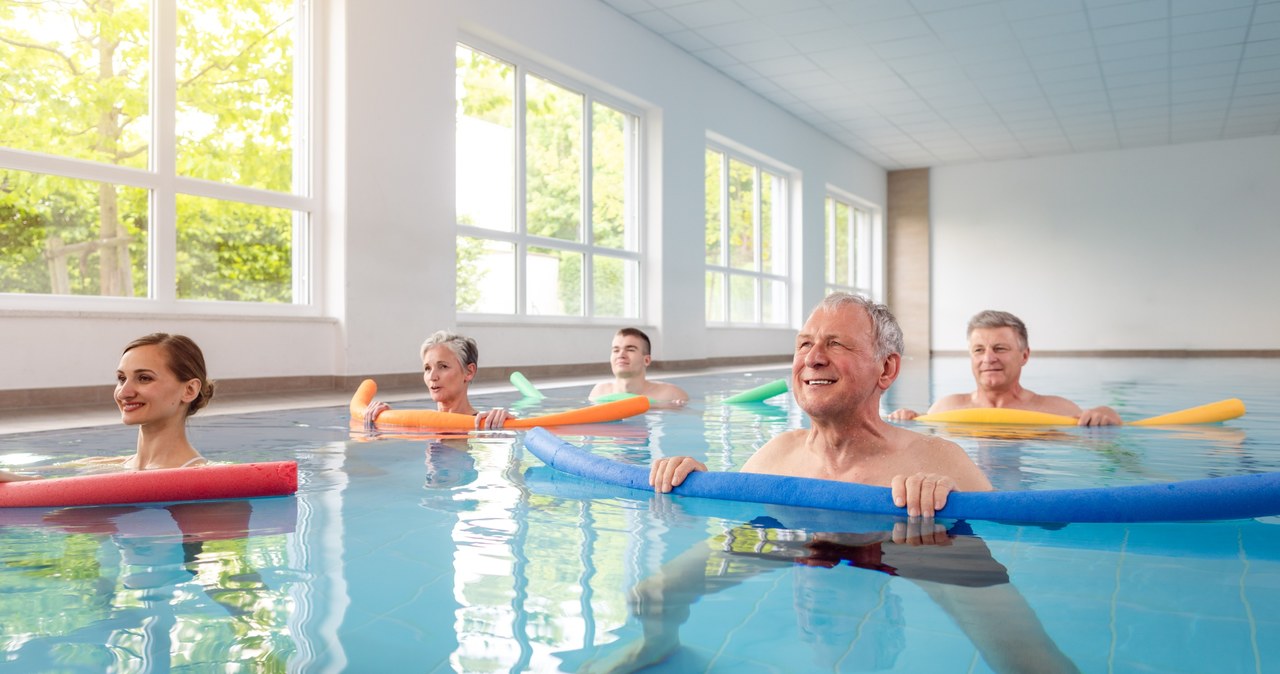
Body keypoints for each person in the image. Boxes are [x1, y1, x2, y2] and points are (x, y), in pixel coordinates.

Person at [651, 292, 992, 518]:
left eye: (836, 344)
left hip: (902, 562)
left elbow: (1013, 539)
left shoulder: (939, 462)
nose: (812, 359)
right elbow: (737, 539)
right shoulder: (776, 456)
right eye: (804, 344)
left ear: (886, 368)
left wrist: (951, 514)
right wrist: (693, 488)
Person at [0, 332, 214, 482]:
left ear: (189, 390)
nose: (124, 392)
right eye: (121, 379)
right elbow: (31, 477)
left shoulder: (200, 477)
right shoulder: (105, 464)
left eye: (144, 378)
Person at [889, 310, 1122, 426]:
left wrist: (1107, 416)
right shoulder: (945, 408)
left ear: (1024, 355)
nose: (988, 358)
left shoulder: (1055, 409)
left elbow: (1097, 428)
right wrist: (905, 420)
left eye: (1000, 348)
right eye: (979, 350)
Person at [363, 330, 511, 430]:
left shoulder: (484, 424)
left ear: (469, 372)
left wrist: (505, 423)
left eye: (443, 366)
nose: (433, 377)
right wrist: (382, 422)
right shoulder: (421, 423)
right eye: (427, 368)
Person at [588, 327, 689, 406]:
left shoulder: (671, 395)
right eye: (616, 350)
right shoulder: (599, 392)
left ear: (646, 360)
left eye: (630, 349)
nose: (621, 355)